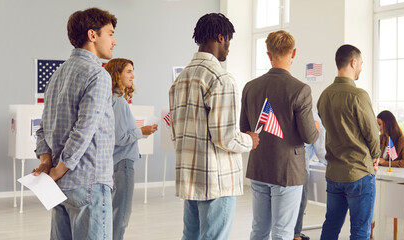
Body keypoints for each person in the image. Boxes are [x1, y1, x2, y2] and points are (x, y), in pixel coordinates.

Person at [168, 13, 260, 240]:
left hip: (191, 176)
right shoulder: (221, 78)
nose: (229, 48)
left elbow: (175, 132)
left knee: (191, 236)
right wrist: (250, 140)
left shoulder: (180, 80)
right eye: (228, 41)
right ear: (221, 38)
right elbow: (225, 137)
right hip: (217, 180)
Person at [32, 7, 118, 240]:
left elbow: (43, 126)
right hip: (87, 182)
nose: (114, 41)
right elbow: (84, 131)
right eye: (110, 34)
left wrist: (46, 161)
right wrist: (59, 169)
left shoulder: (58, 74)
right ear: (93, 35)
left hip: (60, 188)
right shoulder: (98, 75)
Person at [240, 30, 319, 240]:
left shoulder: (250, 87)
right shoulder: (300, 89)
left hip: (258, 167)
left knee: (259, 229)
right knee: (283, 231)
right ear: (293, 53)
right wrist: (316, 127)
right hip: (287, 172)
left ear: (268, 55)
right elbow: (309, 136)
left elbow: (244, 129)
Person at [317, 44, 381, 240]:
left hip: (334, 173)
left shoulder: (324, 95)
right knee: (360, 230)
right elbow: (372, 132)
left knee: (331, 226)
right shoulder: (358, 95)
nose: (361, 67)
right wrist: (376, 156)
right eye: (360, 63)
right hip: (358, 172)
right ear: (353, 63)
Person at [105, 58, 158, 240]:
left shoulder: (110, 99)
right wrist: (140, 131)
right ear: (117, 74)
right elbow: (120, 138)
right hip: (123, 163)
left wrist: (142, 133)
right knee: (122, 214)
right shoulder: (118, 102)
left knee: (114, 210)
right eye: (128, 71)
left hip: (114, 162)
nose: (132, 76)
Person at [294, 113, 326, 240]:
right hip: (302, 167)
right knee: (300, 201)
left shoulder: (297, 114)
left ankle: (290, 232)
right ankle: (296, 234)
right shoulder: (317, 122)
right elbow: (320, 152)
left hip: (285, 166)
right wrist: (331, 162)